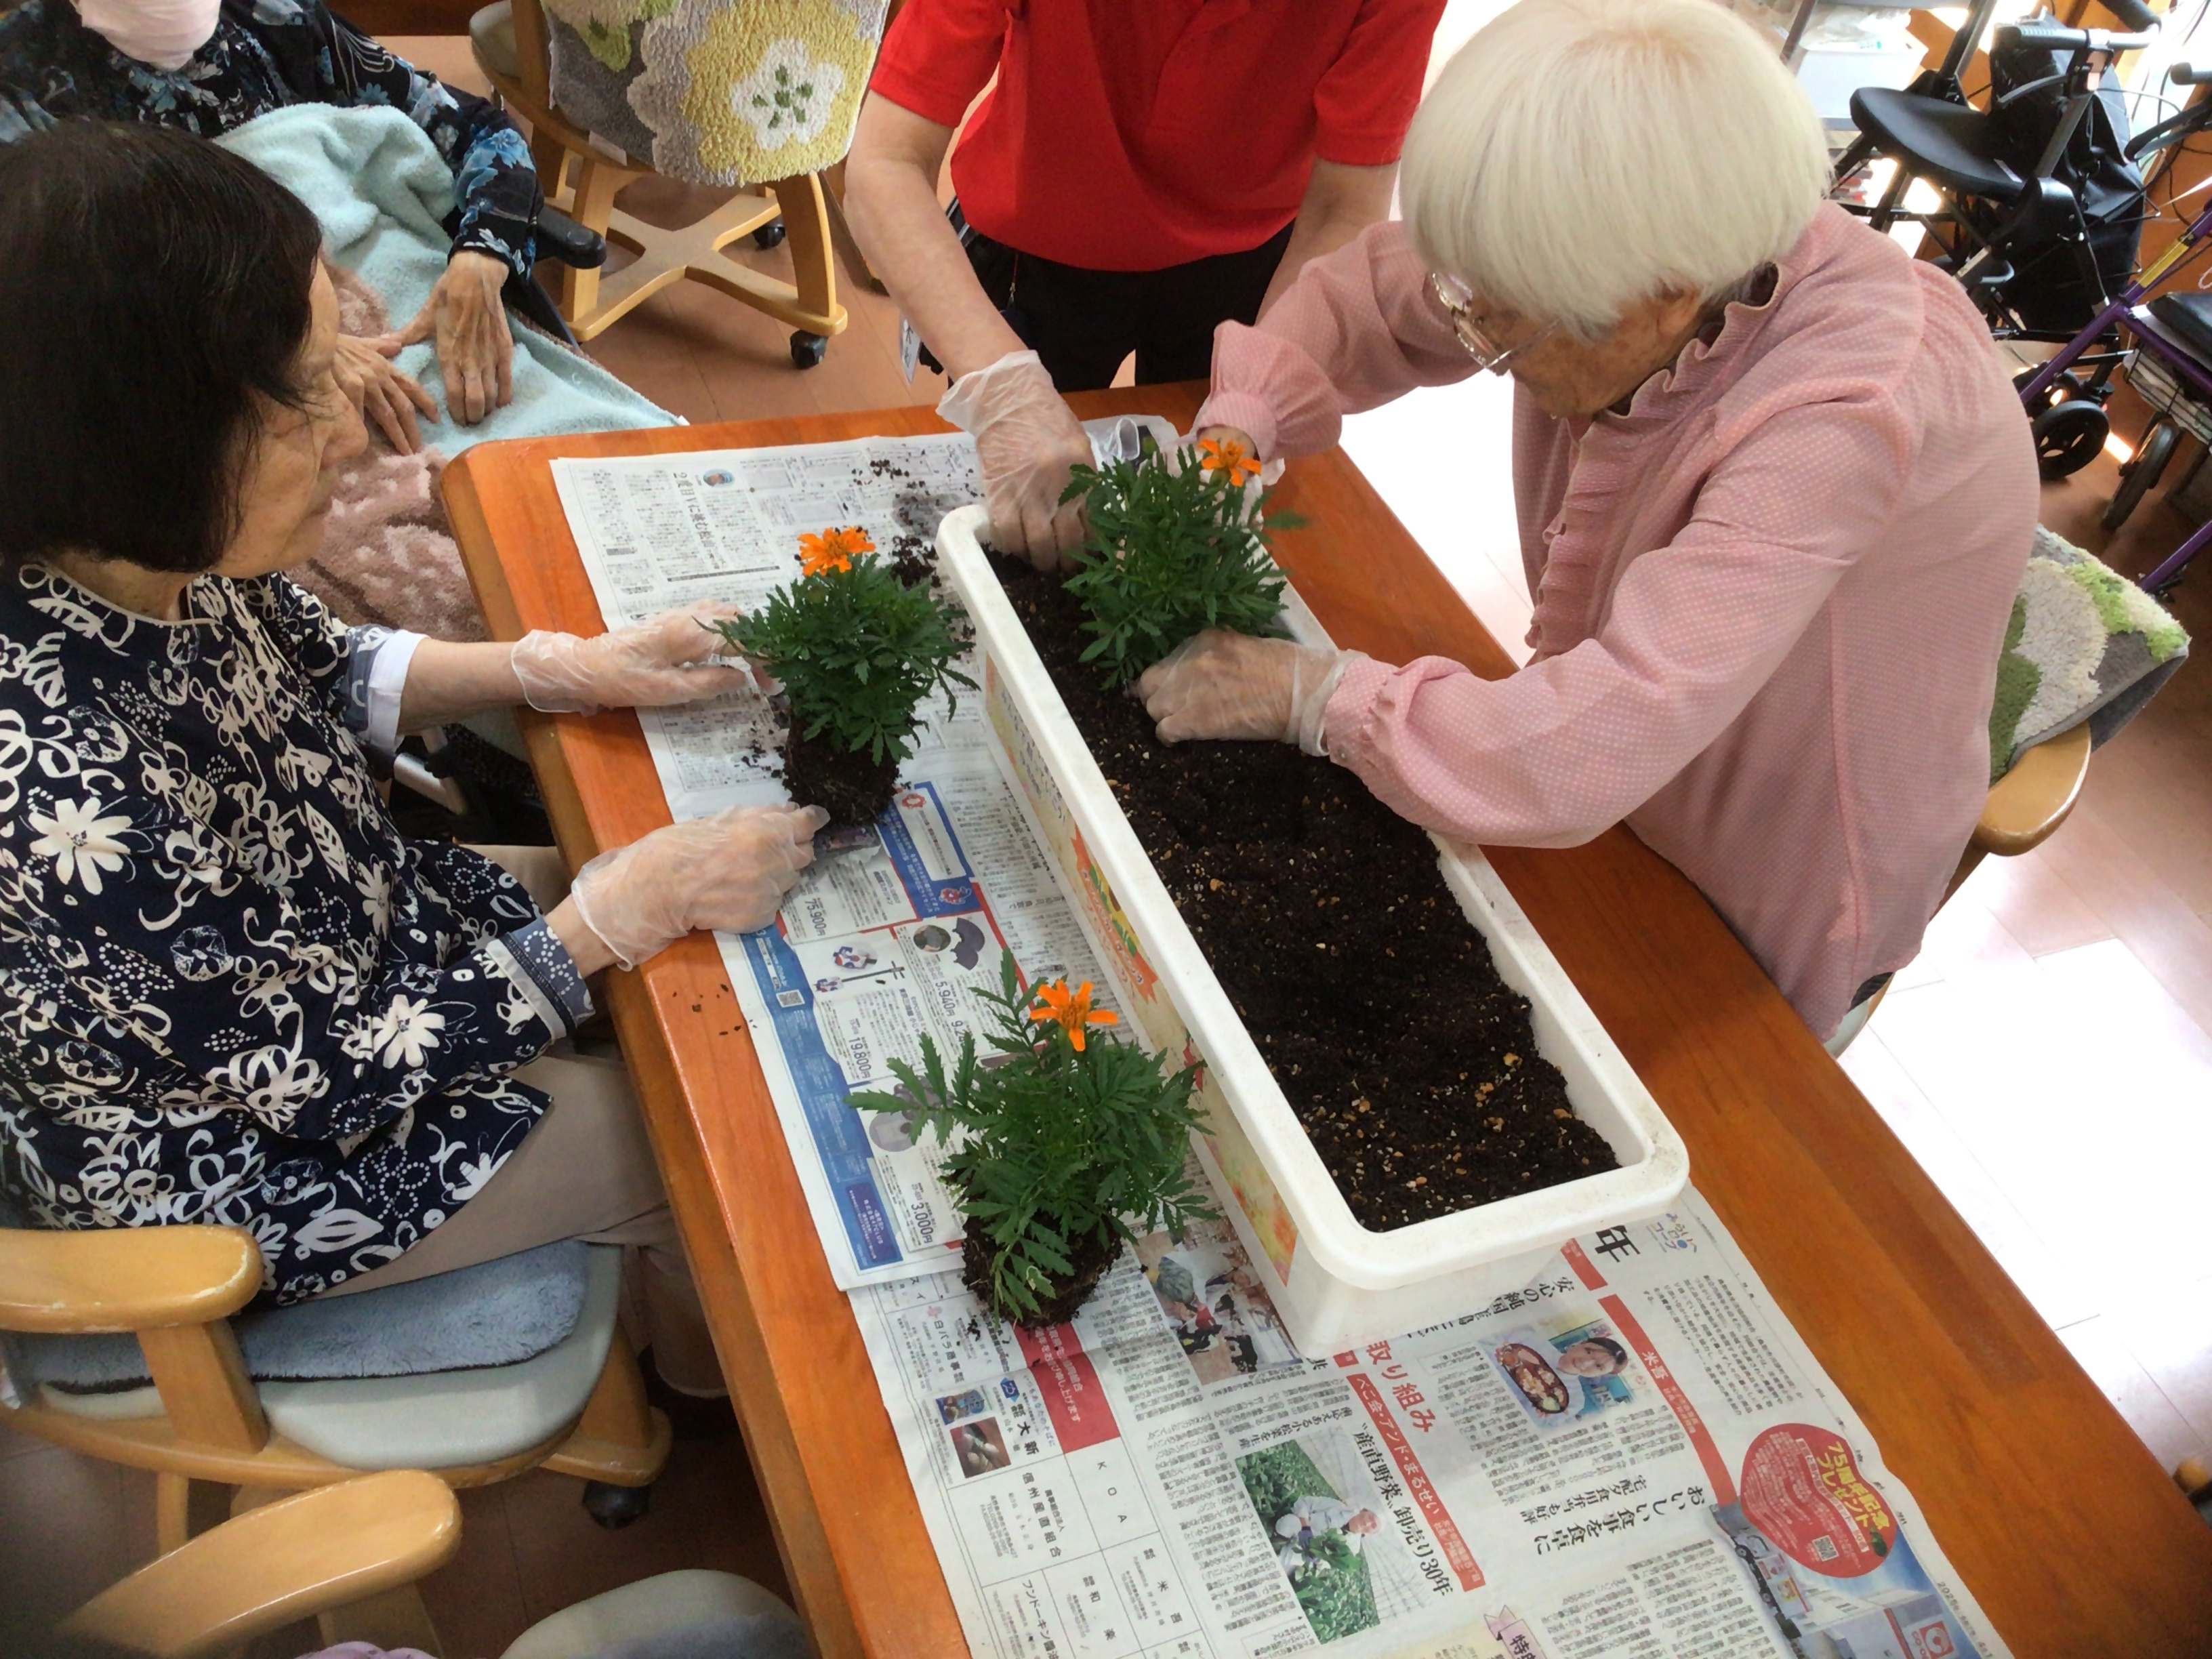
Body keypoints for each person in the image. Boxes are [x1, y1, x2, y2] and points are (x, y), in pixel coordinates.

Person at [0, 123, 821, 1389]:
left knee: (664, 921)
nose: (354, 429)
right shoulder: (65, 802)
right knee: (704, 1137)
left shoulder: (134, 549)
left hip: (348, 932)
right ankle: (698, 1386)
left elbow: (316, 663)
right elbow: (326, 1076)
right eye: (305, 392)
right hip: (239, 1157)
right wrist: (604, 924)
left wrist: (559, 663)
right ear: (153, 442)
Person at [1137, 0, 2040, 1044]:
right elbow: (1378, 298)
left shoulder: (1840, 419)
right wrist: (1243, 425)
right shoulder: (1649, 235)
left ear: (1663, 299)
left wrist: (1319, 696)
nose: (1467, 328)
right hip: (1601, 779)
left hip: (1759, 868)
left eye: (1500, 326)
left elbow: (1612, 726)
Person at [844, 0, 1447, 566]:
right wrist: (999, 385)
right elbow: (885, 160)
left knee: (1203, 519)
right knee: (1016, 506)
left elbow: (1345, 207)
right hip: (1045, 235)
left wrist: (1255, 408)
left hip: (1248, 261)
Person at [0, 0, 540, 447]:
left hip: (419, 306)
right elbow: (62, 307)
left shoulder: (278, 18)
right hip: (224, 375)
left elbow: (480, 131)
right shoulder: (23, 87)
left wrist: (483, 255)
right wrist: (296, 343)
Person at [1274, 1497, 1381, 1575]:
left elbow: (1330, 1564)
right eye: (1370, 1517)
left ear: (1368, 1534)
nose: (1368, 1523)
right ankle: (1277, 1540)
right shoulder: (1337, 1507)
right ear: (1363, 1511)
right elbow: (1304, 1502)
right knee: (1287, 1524)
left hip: (1304, 1551)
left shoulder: (1353, 1549)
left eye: (1373, 1526)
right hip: (1299, 1528)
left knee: (1285, 1564)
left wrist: (1318, 1559)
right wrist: (1305, 1528)